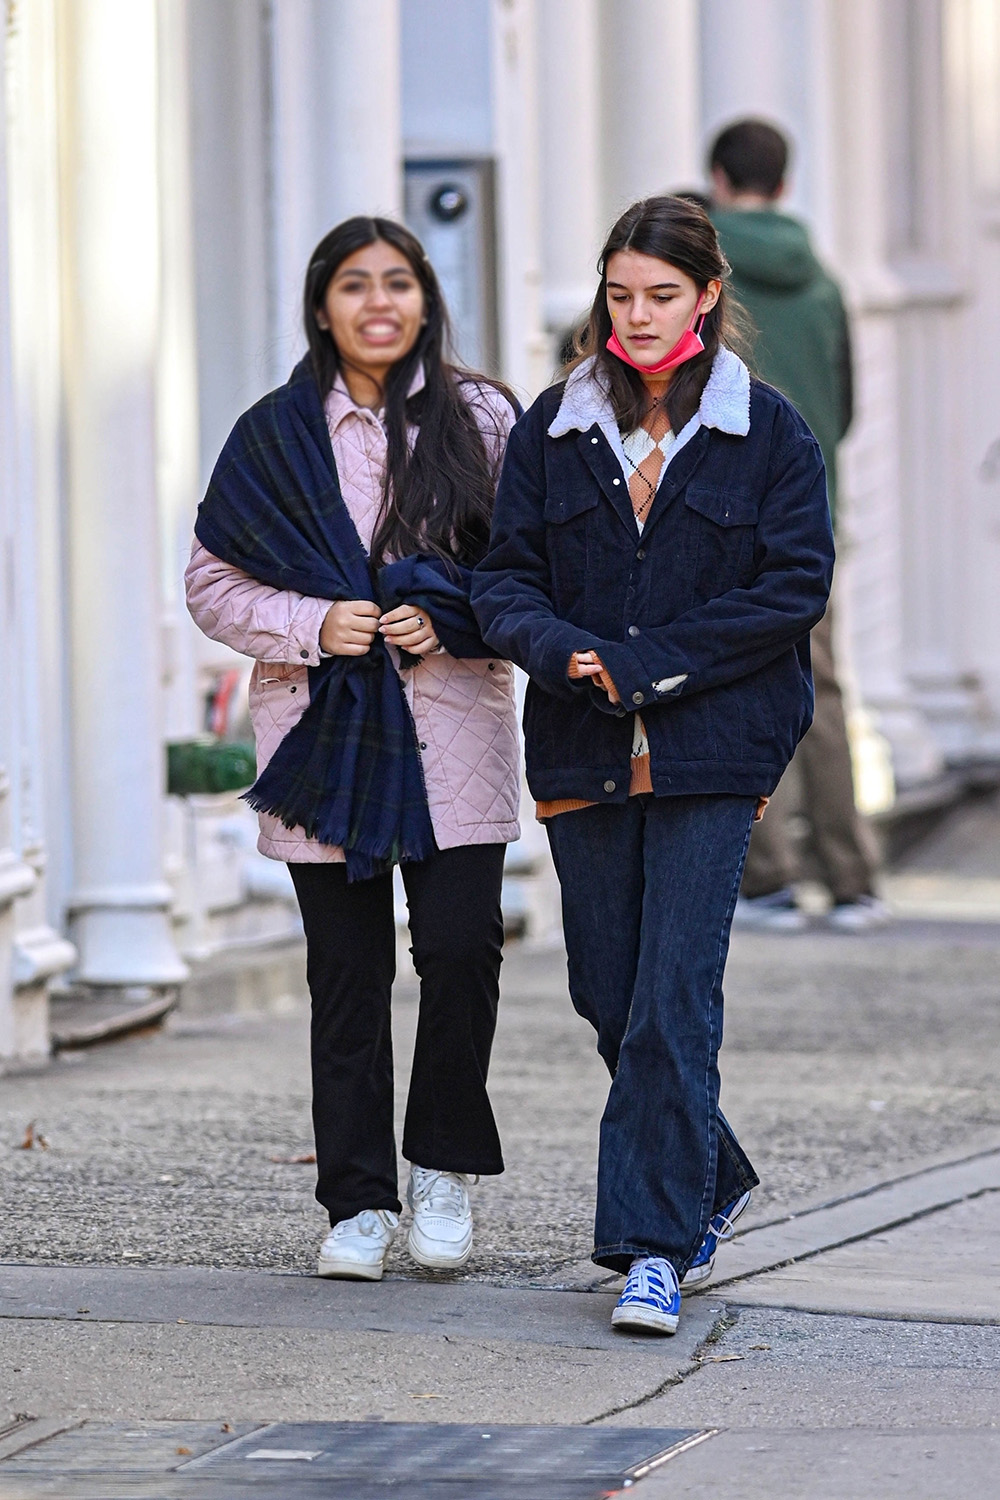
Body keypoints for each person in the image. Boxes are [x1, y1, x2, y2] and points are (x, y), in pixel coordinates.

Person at [472, 196, 834, 1337]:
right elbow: (502, 580)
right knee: (608, 996)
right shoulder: (552, 427)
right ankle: (708, 1173)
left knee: (674, 1001)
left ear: (708, 297)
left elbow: (790, 590)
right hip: (581, 742)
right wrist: (563, 653)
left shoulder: (767, 433)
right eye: (620, 295)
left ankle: (652, 1251)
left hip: (714, 749)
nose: (636, 317)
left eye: (661, 296)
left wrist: (649, 666)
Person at [186, 217, 521, 1282]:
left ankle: (440, 1172)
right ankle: (358, 1202)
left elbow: (533, 572)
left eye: (398, 283)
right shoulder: (274, 432)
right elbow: (210, 583)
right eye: (353, 285)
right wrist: (311, 622)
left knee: (462, 952)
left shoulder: (482, 420)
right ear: (321, 305)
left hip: (454, 726)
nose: (378, 302)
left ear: (426, 297)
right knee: (347, 971)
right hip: (324, 740)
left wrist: (453, 615)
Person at [709, 118, 886, 932]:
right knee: (823, 687)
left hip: (725, 511)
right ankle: (851, 874)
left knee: (741, 684)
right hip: (812, 511)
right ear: (784, 184)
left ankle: (768, 874)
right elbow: (844, 408)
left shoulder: (705, 278)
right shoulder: (823, 282)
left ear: (718, 179)